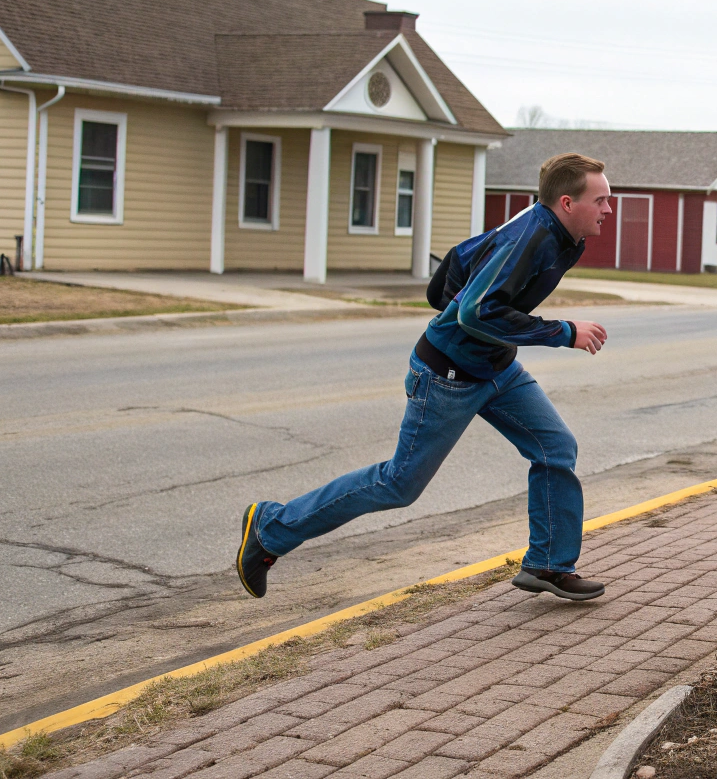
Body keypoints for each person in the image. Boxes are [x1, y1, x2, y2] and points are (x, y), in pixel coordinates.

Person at [236, 153, 614, 602]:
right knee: (398, 484)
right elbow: (476, 312)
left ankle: (549, 565)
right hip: (447, 377)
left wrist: (450, 305)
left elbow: (462, 257)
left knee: (556, 447)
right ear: (568, 203)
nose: (609, 209)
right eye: (602, 200)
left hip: (496, 369)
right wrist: (563, 332)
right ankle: (271, 526)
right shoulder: (530, 235)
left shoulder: (560, 235)